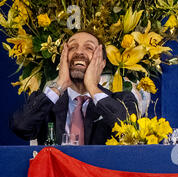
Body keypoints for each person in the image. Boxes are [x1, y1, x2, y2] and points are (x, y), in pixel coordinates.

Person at [10, 30, 138, 145]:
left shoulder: (123, 101)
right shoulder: (47, 102)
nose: (79, 52)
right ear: (63, 59)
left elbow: (129, 131)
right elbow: (20, 126)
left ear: (102, 63)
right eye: (72, 47)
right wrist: (60, 85)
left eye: (88, 48)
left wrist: (92, 87)